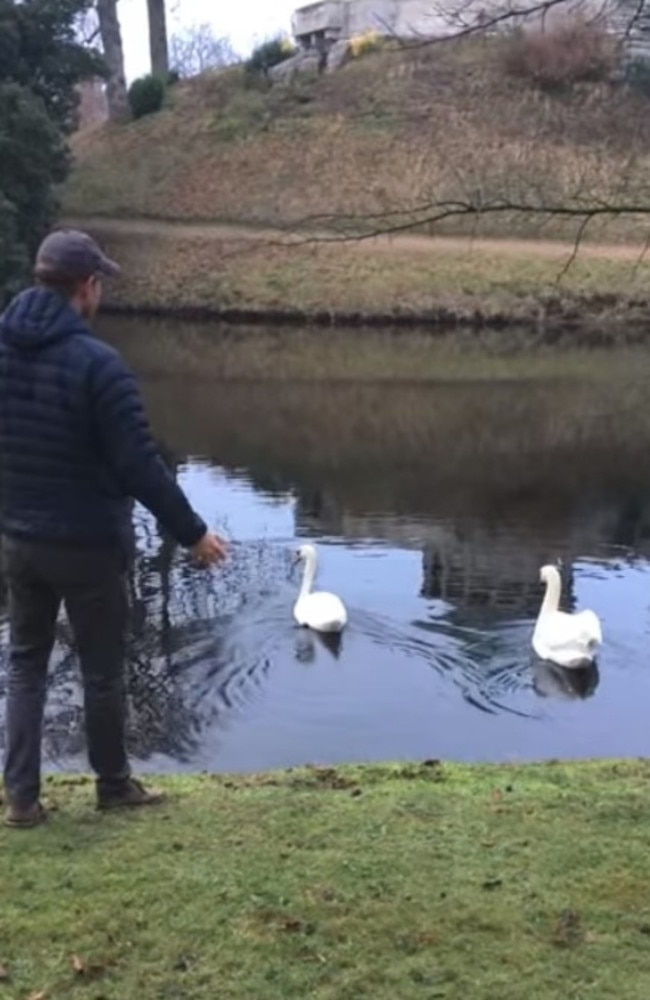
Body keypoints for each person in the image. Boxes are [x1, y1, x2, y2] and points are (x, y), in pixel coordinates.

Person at [0, 229, 228, 828]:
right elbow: (139, 467)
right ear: (87, 288)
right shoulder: (99, 366)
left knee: (26, 665)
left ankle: (21, 799)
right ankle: (113, 785)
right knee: (102, 668)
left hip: (19, 538)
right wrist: (194, 533)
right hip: (88, 545)